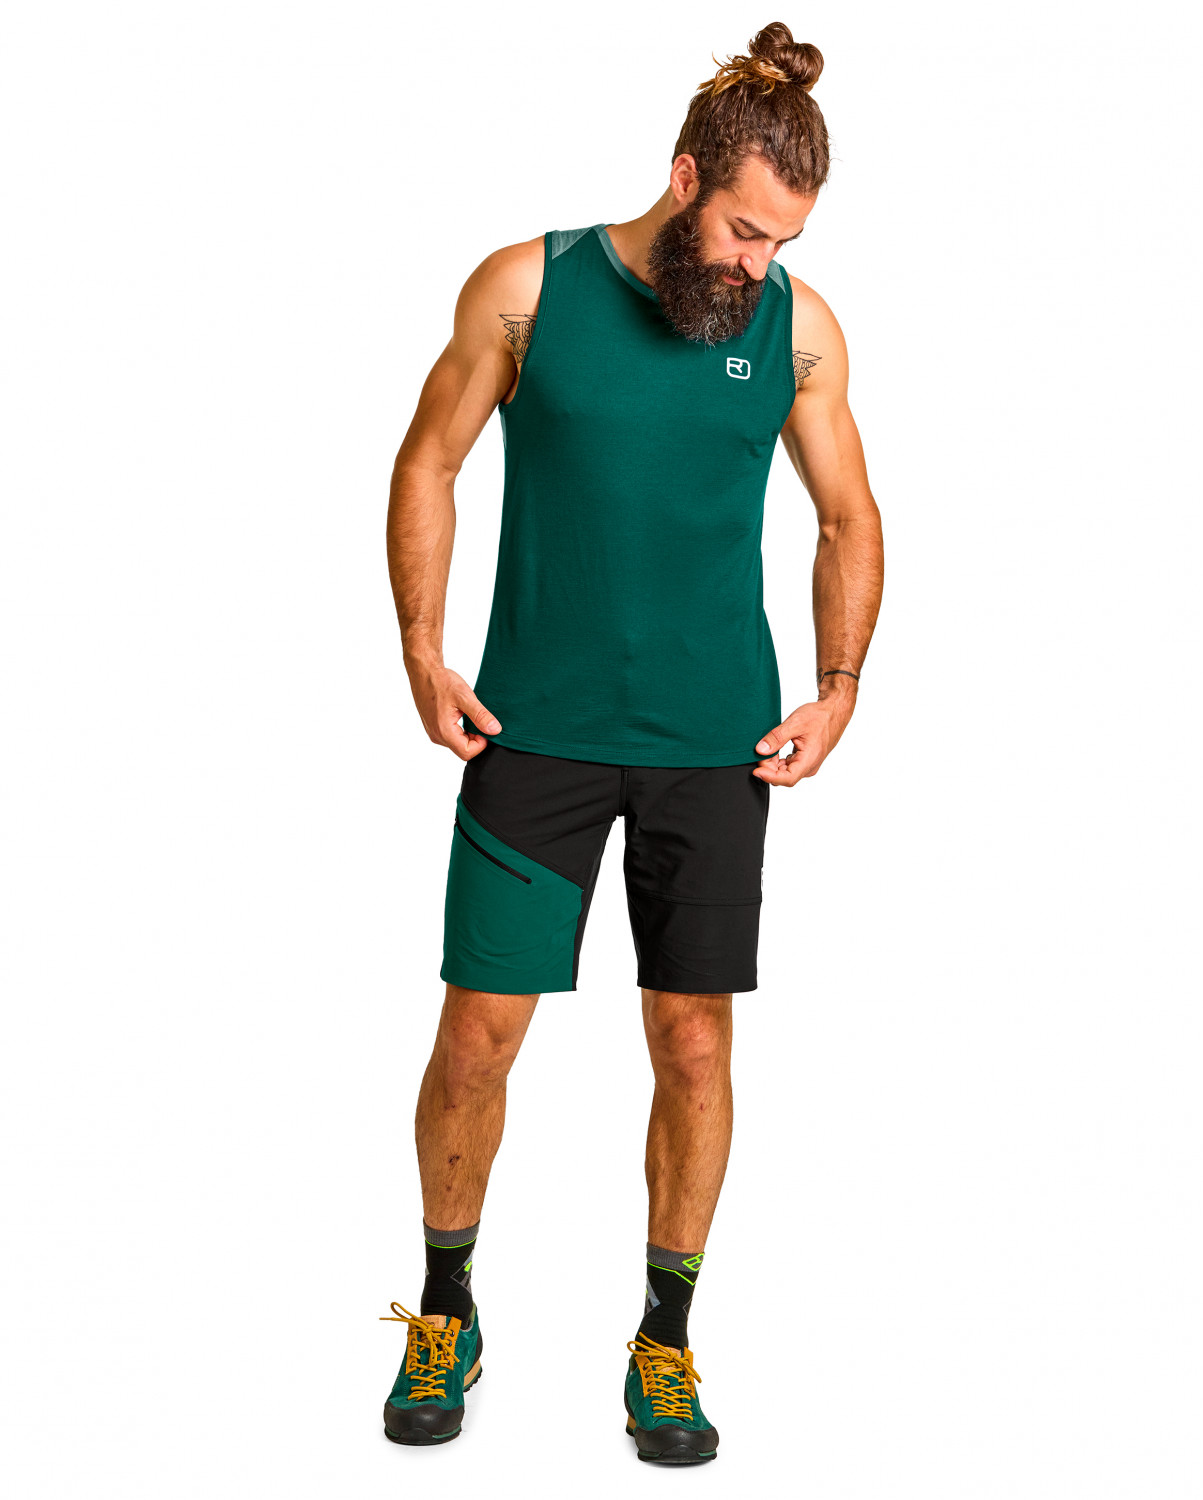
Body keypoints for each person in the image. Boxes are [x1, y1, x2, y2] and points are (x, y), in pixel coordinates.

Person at [382, 22, 884, 1464]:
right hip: (532, 735)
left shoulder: (798, 330)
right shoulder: (526, 287)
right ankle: (446, 1307)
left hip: (713, 750)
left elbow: (848, 515)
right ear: (682, 178)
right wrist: (422, 646)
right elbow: (428, 457)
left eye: (782, 242)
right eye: (741, 230)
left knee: (694, 1042)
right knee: (477, 1037)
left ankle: (665, 1340)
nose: (756, 264)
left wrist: (840, 683)